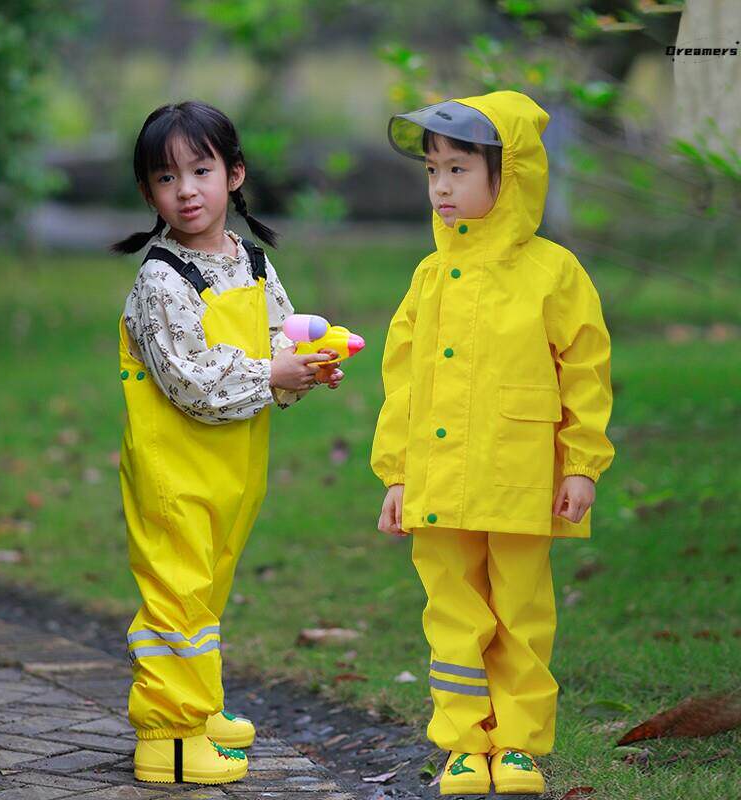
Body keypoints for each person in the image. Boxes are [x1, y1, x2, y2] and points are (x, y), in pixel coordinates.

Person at [371, 91, 614, 796]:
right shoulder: (428, 276)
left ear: (510, 176)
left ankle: (518, 746)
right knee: (451, 615)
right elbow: (404, 385)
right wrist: (396, 475)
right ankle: (461, 745)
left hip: (520, 476)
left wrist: (584, 465)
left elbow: (586, 373)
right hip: (440, 483)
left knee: (522, 615)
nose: (441, 187)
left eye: (458, 170)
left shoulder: (554, 273)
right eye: (432, 172)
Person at [113, 101, 343, 786]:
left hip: (233, 468)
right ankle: (168, 737)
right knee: (176, 598)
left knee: (207, 592)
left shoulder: (250, 263)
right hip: (173, 471)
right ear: (148, 192)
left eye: (201, 170)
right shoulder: (161, 279)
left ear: (234, 175)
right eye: (165, 177)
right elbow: (188, 380)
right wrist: (270, 371)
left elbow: (277, 341)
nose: (185, 189)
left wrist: (304, 363)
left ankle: (199, 707)